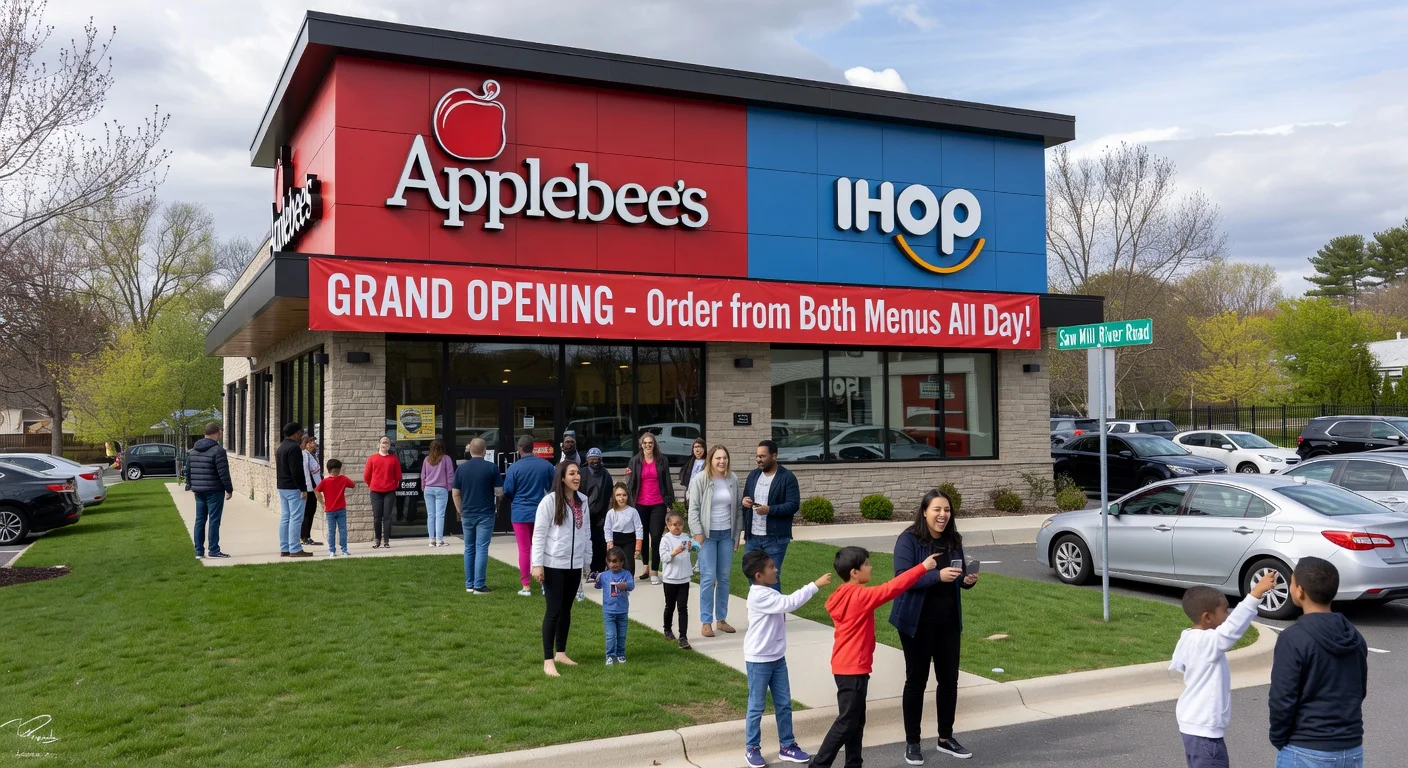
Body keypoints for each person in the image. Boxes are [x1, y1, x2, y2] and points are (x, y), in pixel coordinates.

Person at [810, 546, 940, 768]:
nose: (871, 566)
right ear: (854, 572)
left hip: (845, 666)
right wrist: (922, 568)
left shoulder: (841, 594)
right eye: (867, 563)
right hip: (853, 668)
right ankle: (819, 765)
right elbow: (892, 588)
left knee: (856, 721)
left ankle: (854, 763)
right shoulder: (859, 596)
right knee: (847, 721)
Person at [889, 489, 980, 763]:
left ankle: (945, 738)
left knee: (949, 680)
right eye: (937, 510)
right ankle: (913, 742)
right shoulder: (909, 540)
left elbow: (957, 571)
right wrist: (935, 576)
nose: (943, 515)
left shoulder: (953, 539)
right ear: (925, 511)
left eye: (947, 510)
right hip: (916, 622)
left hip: (948, 621)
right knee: (916, 682)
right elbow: (902, 580)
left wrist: (965, 580)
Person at [1171, 572, 1278, 768]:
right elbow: (1232, 628)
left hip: (1192, 726)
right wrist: (1255, 594)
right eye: (1224, 611)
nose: (1227, 616)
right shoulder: (1206, 643)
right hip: (1205, 733)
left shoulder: (1188, 637)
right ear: (1208, 617)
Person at [1268, 557, 1368, 768]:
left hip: (1305, 748)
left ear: (1300, 591)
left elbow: (1282, 699)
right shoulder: (1354, 636)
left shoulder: (1293, 638)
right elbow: (1359, 690)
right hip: (1351, 748)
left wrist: (1278, 738)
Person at [742, 549, 830, 768]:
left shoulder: (768, 592)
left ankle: (787, 746)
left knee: (783, 704)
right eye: (771, 567)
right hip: (759, 659)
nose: (776, 569)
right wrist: (814, 585)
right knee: (756, 706)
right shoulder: (760, 595)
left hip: (777, 657)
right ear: (758, 575)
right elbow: (789, 603)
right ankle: (752, 748)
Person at [530, 460, 592, 677]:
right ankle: (548, 660)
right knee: (554, 611)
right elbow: (539, 535)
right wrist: (537, 564)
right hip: (553, 564)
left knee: (566, 610)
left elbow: (586, 533)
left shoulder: (582, 501)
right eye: (572, 473)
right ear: (562, 477)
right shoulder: (549, 502)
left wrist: (586, 562)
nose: (577, 477)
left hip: (574, 565)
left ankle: (561, 653)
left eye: (578, 473)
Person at [688, 444, 742, 638]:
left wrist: (736, 536)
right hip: (707, 536)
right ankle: (706, 622)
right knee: (708, 578)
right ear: (710, 460)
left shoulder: (733, 479)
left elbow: (737, 510)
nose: (722, 461)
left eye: (724, 458)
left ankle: (721, 619)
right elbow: (693, 509)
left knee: (725, 578)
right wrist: (697, 533)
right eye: (718, 458)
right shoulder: (700, 479)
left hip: (726, 535)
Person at [743, 439, 800, 591]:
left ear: (774, 456)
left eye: (762, 456)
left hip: (775, 538)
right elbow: (745, 497)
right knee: (751, 575)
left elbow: (793, 505)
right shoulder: (753, 475)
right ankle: (758, 613)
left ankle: (776, 613)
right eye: (757, 456)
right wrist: (745, 502)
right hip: (753, 537)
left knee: (771, 578)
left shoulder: (787, 477)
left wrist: (769, 510)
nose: (758, 460)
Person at [504, 434, 555, 596]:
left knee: (524, 549)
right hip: (541, 512)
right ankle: (544, 583)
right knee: (543, 548)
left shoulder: (514, 468)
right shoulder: (545, 466)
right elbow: (552, 487)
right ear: (533, 448)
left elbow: (508, 491)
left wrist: (516, 500)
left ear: (519, 449)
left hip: (520, 513)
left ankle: (526, 585)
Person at [626, 431, 675, 584]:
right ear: (641, 445)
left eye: (650, 443)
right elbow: (631, 483)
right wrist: (628, 502)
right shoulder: (635, 461)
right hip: (640, 504)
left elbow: (667, 481)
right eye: (645, 443)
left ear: (654, 445)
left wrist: (668, 503)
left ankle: (655, 570)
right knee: (642, 537)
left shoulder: (662, 460)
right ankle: (645, 567)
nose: (648, 445)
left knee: (655, 537)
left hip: (658, 503)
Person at [453, 438, 500, 594]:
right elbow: (499, 492)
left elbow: (456, 493)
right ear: (485, 450)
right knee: (481, 548)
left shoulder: (461, 469)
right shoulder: (492, 468)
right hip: (486, 512)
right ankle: (479, 585)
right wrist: (497, 506)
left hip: (467, 512)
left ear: (470, 450)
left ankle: (469, 584)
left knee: (469, 548)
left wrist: (460, 510)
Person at [186, 422, 233, 559]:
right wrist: (229, 489)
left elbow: (188, 470)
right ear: (216, 433)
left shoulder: (193, 451)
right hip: (214, 490)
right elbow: (223, 472)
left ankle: (199, 551)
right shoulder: (218, 451)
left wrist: (190, 484)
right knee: (214, 520)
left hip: (199, 490)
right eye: (220, 432)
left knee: (199, 520)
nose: (221, 434)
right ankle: (214, 549)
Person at [275, 422, 312, 558]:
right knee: (296, 518)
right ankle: (295, 548)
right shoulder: (294, 448)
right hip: (293, 488)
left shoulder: (281, 448)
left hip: (282, 486)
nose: (301, 435)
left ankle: (285, 548)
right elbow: (296, 471)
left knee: (285, 517)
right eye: (300, 433)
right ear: (295, 433)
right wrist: (303, 488)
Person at [658, 511, 695, 649]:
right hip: (670, 579)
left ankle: (683, 636)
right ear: (668, 525)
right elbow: (664, 558)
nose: (677, 527)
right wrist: (674, 552)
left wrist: (691, 549)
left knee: (683, 608)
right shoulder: (665, 539)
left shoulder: (686, 537)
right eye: (674, 525)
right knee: (670, 606)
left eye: (680, 524)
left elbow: (689, 554)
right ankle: (667, 629)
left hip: (684, 578)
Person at [597, 546, 634, 665]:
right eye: (610, 561)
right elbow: (598, 585)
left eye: (616, 561)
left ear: (622, 562)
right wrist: (595, 578)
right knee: (610, 635)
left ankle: (621, 654)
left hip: (622, 610)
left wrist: (625, 585)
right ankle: (610, 655)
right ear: (607, 562)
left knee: (622, 635)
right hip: (609, 611)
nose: (613, 564)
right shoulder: (604, 575)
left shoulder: (626, 574)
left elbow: (632, 585)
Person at [364, 436, 402, 549]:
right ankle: (377, 539)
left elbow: (398, 475)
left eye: (387, 443)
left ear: (389, 445)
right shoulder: (372, 459)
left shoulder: (393, 459)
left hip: (389, 491)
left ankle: (386, 540)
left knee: (387, 516)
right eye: (383, 442)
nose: (385, 444)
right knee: (377, 517)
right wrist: (373, 485)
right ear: (379, 444)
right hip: (376, 492)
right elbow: (366, 476)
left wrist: (393, 484)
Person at [582, 447, 614, 579]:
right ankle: (584, 569)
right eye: (592, 459)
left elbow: (609, 494)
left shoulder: (606, 474)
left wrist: (606, 513)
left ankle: (598, 570)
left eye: (597, 459)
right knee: (584, 542)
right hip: (584, 514)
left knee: (599, 542)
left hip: (601, 515)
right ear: (587, 460)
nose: (595, 462)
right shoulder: (582, 473)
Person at [315, 459, 355, 557]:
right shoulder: (343, 479)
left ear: (329, 470)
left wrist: (322, 502)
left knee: (331, 531)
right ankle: (344, 550)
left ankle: (332, 551)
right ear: (339, 469)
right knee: (343, 530)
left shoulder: (325, 482)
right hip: (341, 509)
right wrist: (343, 475)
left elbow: (317, 491)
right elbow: (353, 485)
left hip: (329, 510)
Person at [420, 438, 455, 547]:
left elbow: (423, 476)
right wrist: (450, 488)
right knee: (440, 515)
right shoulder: (446, 459)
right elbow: (450, 475)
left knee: (430, 515)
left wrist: (423, 487)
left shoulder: (427, 459)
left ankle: (431, 540)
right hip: (441, 489)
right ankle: (439, 540)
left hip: (428, 489)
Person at [604, 483, 644, 578]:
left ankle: (628, 580)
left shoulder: (633, 511)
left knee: (628, 562)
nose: (621, 498)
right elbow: (607, 528)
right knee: (614, 561)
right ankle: (614, 579)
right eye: (618, 495)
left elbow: (639, 528)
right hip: (615, 540)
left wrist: (638, 546)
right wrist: (609, 543)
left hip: (629, 541)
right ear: (614, 497)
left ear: (627, 496)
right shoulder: (611, 513)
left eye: (624, 495)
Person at [300, 435, 324, 548]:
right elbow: (305, 472)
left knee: (311, 511)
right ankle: (304, 537)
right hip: (308, 488)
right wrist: (306, 488)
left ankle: (306, 536)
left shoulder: (311, 455)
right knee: (307, 512)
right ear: (307, 444)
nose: (314, 444)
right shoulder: (305, 455)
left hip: (312, 487)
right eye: (312, 442)